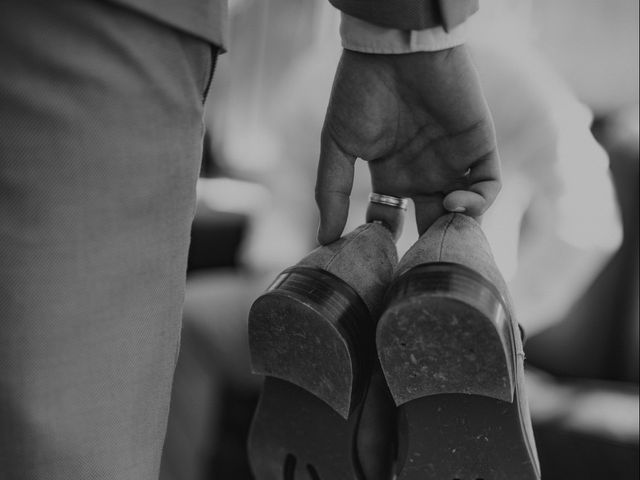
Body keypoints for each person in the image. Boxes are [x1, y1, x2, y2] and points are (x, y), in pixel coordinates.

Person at [0, 0, 499, 478]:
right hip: (332, 281)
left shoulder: (515, 81)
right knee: (83, 413)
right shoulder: (310, 79)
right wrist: (403, 32)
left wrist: (531, 304)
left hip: (421, 286)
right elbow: (283, 198)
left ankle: (471, 321)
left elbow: (577, 208)